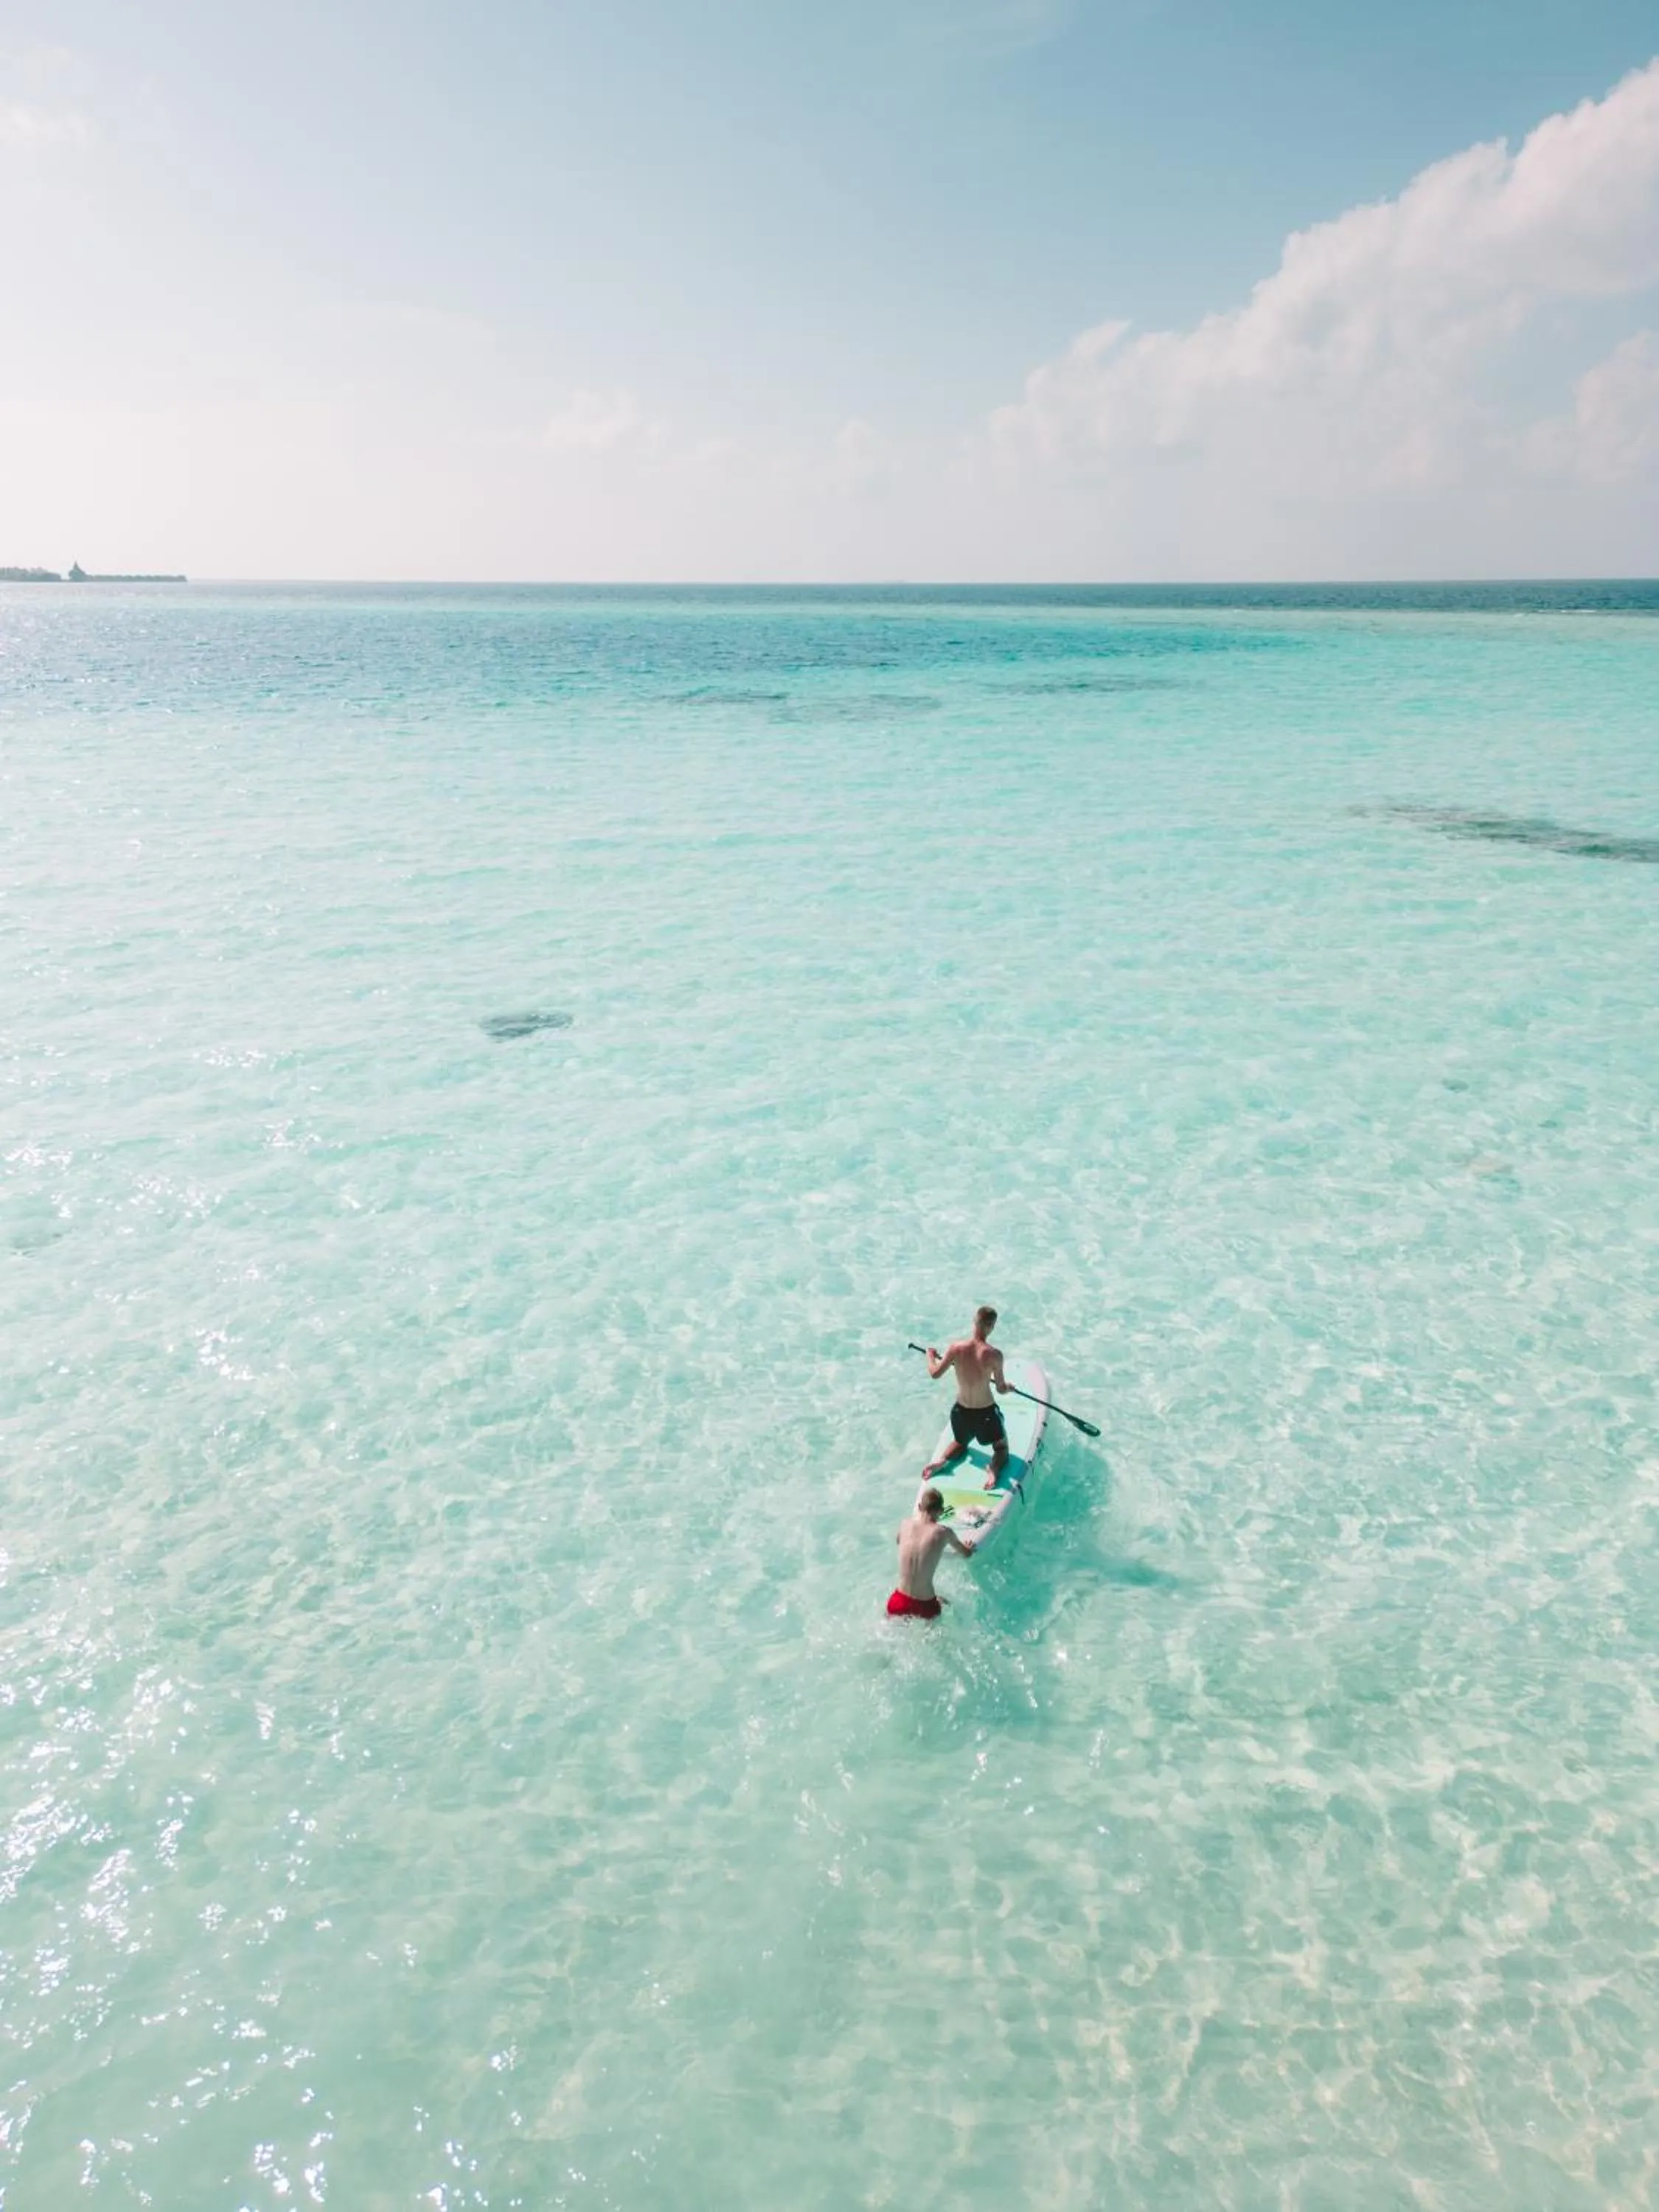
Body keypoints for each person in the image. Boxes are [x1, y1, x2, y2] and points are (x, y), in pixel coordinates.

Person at [922, 1305, 1010, 1489]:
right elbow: (1000, 1389)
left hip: (960, 1412)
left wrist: (930, 1356)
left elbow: (935, 1373)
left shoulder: (956, 1348)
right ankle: (993, 1469)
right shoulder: (995, 1355)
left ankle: (942, 1461)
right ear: (991, 1327)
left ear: (974, 1322)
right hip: (985, 1413)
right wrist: (1008, 1387)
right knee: (1001, 1448)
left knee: (960, 1442)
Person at [888, 1487, 974, 1619]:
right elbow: (967, 1554)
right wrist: (968, 1548)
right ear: (941, 1511)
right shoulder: (944, 1532)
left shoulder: (905, 1524)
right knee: (946, 1603)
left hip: (898, 1601)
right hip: (926, 1605)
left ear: (919, 1507)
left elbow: (898, 1540)